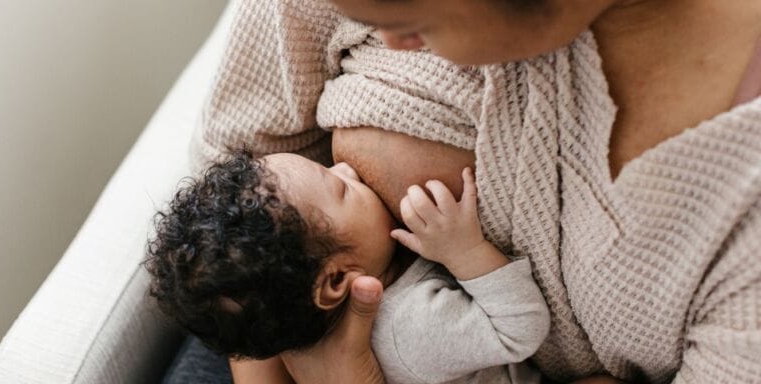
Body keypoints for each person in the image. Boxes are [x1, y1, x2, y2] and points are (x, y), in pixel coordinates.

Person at [178, 0, 761, 383]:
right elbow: (230, 195)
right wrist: (289, 347)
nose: (393, 39)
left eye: (413, 16)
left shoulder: (736, 201)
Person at [147, 150, 550, 384]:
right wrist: (466, 251)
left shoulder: (283, 316)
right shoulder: (409, 329)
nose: (347, 168)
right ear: (337, 279)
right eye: (340, 188)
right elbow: (522, 331)